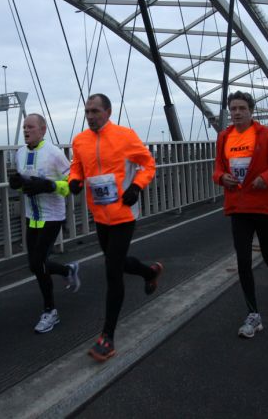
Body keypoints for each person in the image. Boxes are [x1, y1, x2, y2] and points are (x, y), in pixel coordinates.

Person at [69, 94, 162, 362]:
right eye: (87, 111)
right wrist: (74, 179)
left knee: (112, 270)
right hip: (100, 215)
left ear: (108, 112)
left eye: (95, 111)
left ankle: (107, 337)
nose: (90, 116)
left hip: (123, 213)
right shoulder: (80, 140)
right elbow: (77, 167)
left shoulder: (125, 136)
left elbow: (148, 164)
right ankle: (149, 271)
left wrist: (136, 186)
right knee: (116, 263)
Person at [213, 92, 268, 338]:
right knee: (243, 261)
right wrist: (221, 177)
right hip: (238, 207)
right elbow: (218, 168)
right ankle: (253, 315)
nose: (237, 112)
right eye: (233, 109)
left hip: (264, 206)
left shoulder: (267, 136)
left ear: (251, 110)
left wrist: (267, 177)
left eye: (242, 108)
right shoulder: (224, 137)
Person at [8, 113, 81, 334]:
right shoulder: (20, 153)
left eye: (30, 127)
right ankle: (67, 270)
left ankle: (50, 311)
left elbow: (72, 185)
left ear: (43, 129)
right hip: (32, 217)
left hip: (52, 217)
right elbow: (26, 184)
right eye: (24, 127)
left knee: (38, 263)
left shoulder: (54, 154)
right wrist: (17, 184)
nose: (26, 130)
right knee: (34, 265)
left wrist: (50, 186)